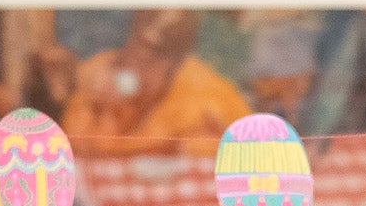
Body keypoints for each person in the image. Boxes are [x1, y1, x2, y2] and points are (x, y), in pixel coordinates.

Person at [62, 9, 248, 144]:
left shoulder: (208, 94)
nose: (143, 59)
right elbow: (75, 144)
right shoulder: (99, 72)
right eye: (140, 44)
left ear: (177, 59)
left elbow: (252, 150)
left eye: (157, 52)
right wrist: (102, 110)